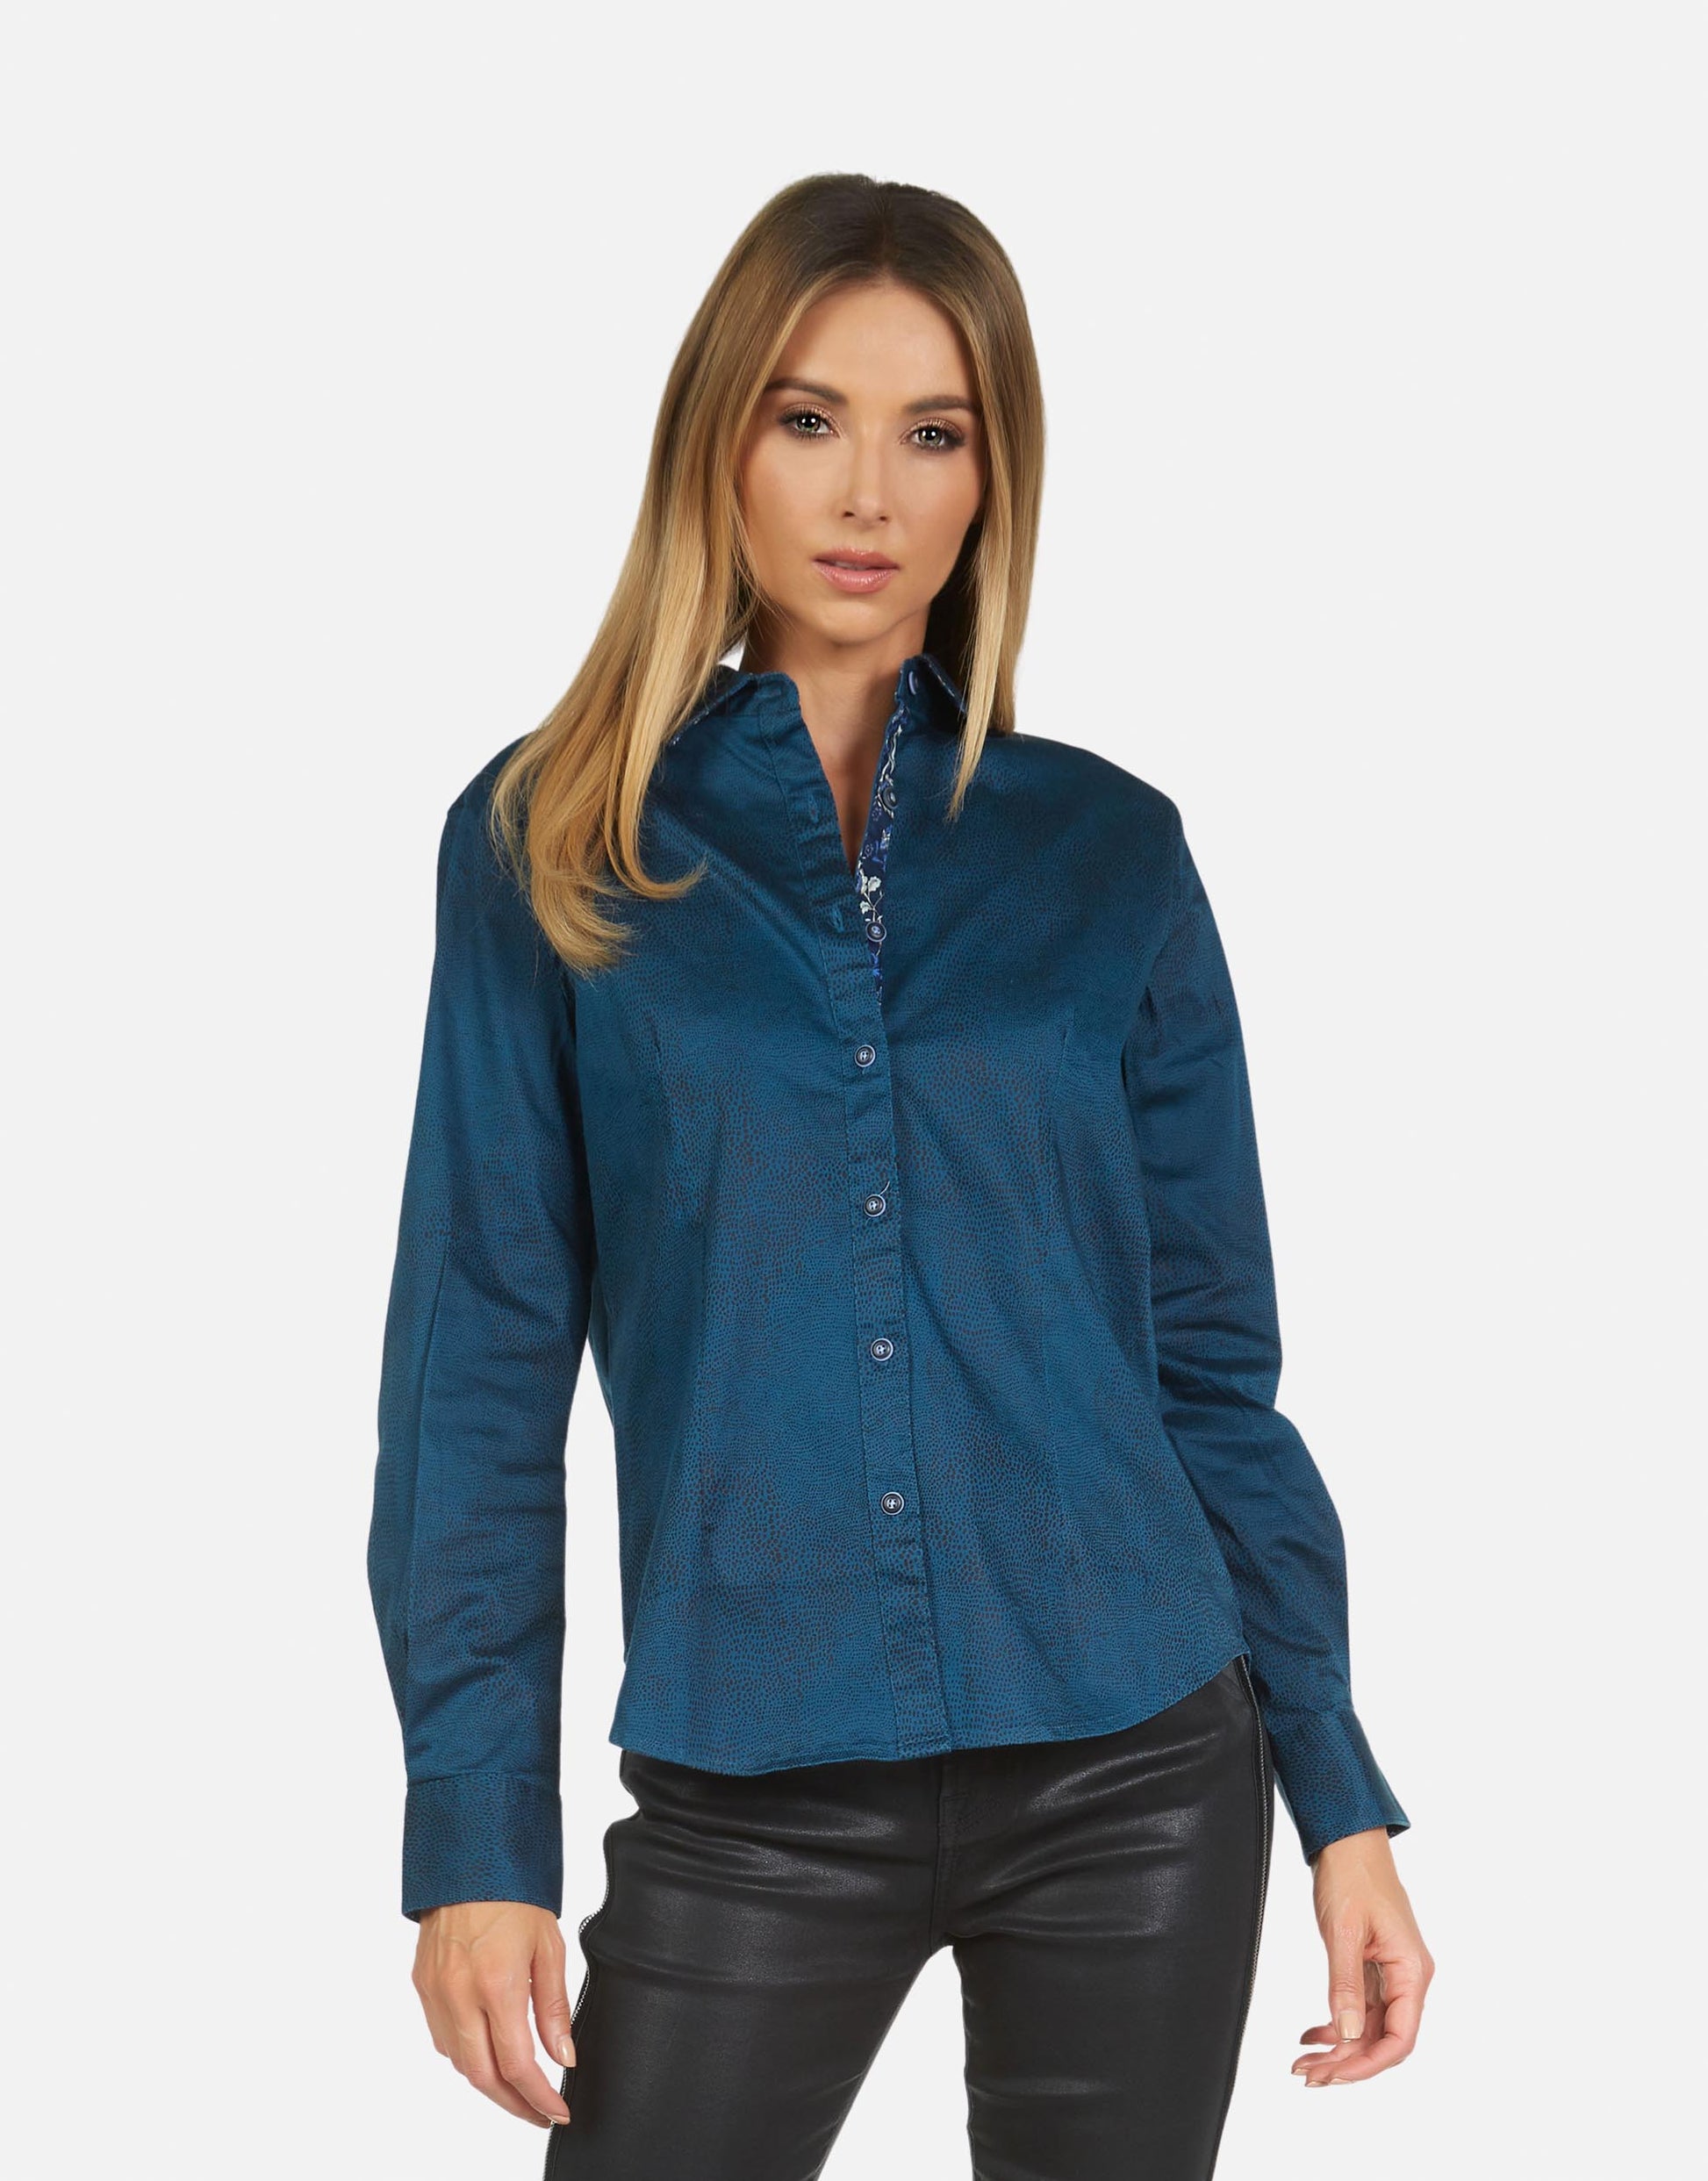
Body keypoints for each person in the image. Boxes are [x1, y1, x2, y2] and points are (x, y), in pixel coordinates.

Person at [367, 170, 1433, 2178]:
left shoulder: (1110, 853)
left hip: (1137, 1766)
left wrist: (1340, 1794)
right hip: (752, 1785)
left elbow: (1210, 1371)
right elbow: (477, 1374)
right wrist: (472, 1838)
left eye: (931, 431)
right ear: (720, 446)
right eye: (809, 418)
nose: (867, 491)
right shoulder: (548, 843)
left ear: (989, 477)